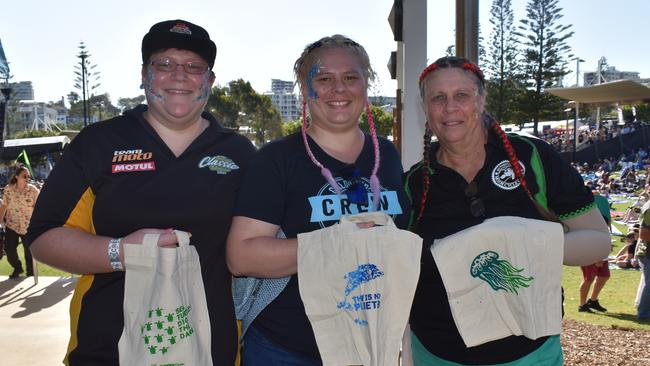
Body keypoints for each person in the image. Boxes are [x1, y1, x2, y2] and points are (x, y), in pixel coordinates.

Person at [26, 19, 255, 365]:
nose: (179, 75)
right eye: (164, 64)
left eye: (194, 67)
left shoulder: (239, 153)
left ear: (209, 80)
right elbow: (43, 237)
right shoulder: (98, 143)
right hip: (108, 346)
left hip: (211, 347)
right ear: (144, 74)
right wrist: (120, 251)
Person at [404, 56, 611, 365]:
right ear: (425, 107)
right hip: (437, 353)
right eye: (438, 98)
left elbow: (599, 241)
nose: (450, 107)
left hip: (529, 352)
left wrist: (521, 242)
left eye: (462, 95)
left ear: (482, 99)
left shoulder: (532, 157)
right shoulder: (413, 183)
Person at [226, 35, 409, 365]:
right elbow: (241, 257)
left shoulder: (388, 155)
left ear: (366, 84)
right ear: (304, 88)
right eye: (324, 79)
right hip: (288, 348)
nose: (338, 89)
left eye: (350, 77)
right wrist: (336, 242)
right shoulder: (276, 160)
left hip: (370, 342)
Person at [0, 164, 40, 279]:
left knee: (29, 252)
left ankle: (31, 274)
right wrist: (0, 219)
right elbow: (4, 206)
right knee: (9, 249)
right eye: (24, 176)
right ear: (17, 176)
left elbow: (39, 207)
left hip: (28, 226)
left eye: (28, 177)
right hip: (12, 224)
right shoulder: (8, 189)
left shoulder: (33, 190)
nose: (27, 178)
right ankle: (17, 268)